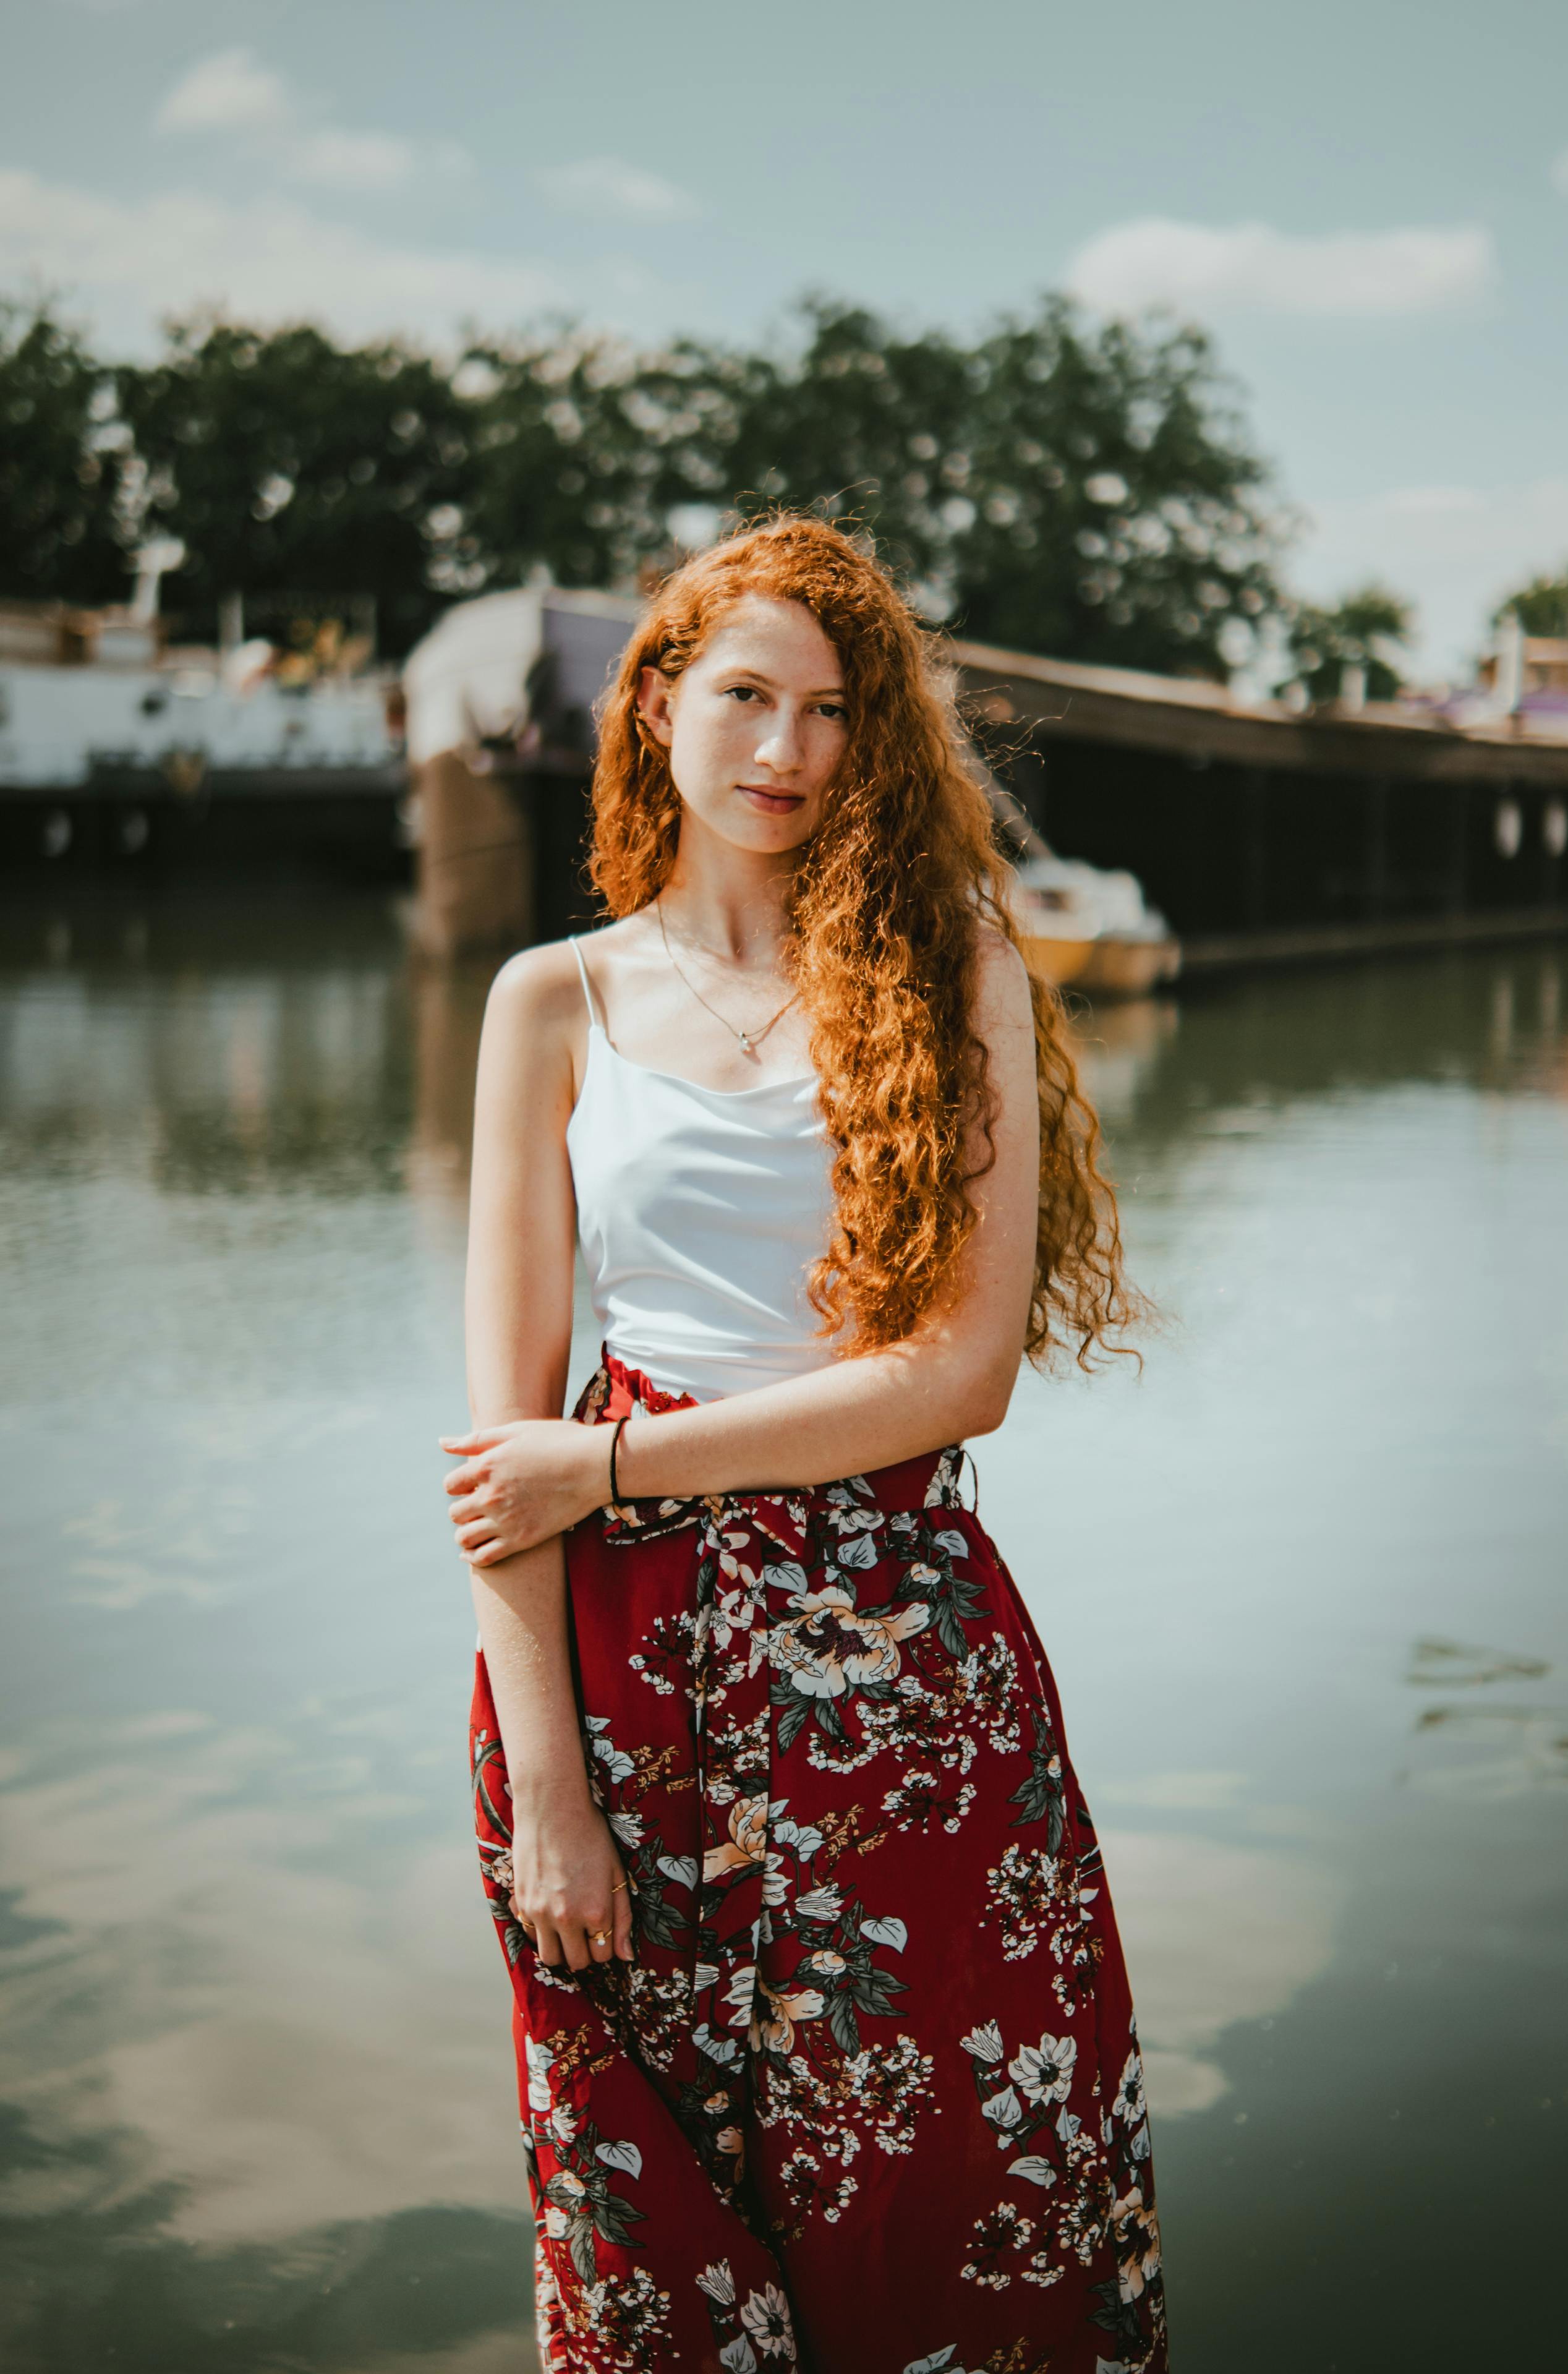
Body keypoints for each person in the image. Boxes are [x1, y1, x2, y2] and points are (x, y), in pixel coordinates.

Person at [440, 516, 1167, 2373]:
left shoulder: (959, 971)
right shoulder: (555, 1000)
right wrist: (549, 1799)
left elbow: (957, 1378)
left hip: (902, 1664)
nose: (787, 748)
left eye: (834, 710)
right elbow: (495, 1446)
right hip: (621, 1682)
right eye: (747, 697)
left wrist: (611, 1471)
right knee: (654, 2253)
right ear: (661, 706)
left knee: (963, 2208)